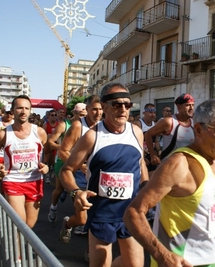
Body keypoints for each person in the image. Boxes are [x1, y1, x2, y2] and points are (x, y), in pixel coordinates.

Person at [124, 99, 215, 267]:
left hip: (212, 260)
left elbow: (207, 198)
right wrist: (162, 255)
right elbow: (133, 212)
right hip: (179, 262)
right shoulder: (179, 164)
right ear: (199, 130)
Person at [59, 83, 147, 267]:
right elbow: (66, 170)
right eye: (116, 104)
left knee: (135, 265)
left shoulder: (137, 132)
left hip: (130, 212)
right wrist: (76, 193)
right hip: (102, 213)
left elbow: (140, 162)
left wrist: (146, 187)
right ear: (104, 107)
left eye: (127, 105)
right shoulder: (92, 136)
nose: (123, 109)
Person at [0, 95, 49, 228]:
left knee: (30, 226)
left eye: (26, 108)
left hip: (34, 181)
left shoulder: (39, 132)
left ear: (30, 110)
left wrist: (46, 166)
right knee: (20, 225)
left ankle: (22, 248)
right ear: (12, 110)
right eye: (19, 108)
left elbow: (48, 153)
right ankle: (17, 249)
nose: (23, 111)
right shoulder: (3, 134)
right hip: (12, 181)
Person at [57, 96, 103, 244]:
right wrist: (80, 166)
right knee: (83, 219)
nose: (98, 113)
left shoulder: (104, 126)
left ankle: (91, 251)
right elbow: (63, 151)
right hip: (79, 175)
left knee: (97, 216)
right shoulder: (78, 126)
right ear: (87, 110)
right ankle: (68, 223)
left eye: (101, 109)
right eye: (94, 109)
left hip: (98, 175)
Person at [46, 102, 87, 223]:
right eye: (80, 114)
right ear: (74, 113)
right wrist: (64, 148)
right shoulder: (64, 125)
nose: (83, 116)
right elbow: (51, 142)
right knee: (59, 189)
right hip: (63, 159)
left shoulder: (88, 125)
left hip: (80, 162)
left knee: (81, 190)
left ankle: (80, 219)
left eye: (85, 114)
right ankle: (53, 207)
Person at [145, 93, 195, 165]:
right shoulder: (169, 121)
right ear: (179, 107)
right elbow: (148, 134)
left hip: (186, 167)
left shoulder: (194, 123)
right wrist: (153, 155)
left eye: (193, 105)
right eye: (187, 105)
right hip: (168, 167)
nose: (191, 108)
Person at [134, 103, 159, 175]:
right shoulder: (138, 123)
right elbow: (135, 142)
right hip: (141, 155)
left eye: (154, 112)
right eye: (150, 112)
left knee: (152, 178)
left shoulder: (155, 124)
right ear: (144, 113)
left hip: (151, 155)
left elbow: (156, 140)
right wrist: (143, 157)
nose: (153, 114)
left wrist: (158, 151)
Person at [42, 109, 59, 184]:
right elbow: (42, 136)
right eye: (52, 115)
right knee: (47, 160)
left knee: (53, 161)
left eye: (55, 115)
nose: (54, 116)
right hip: (48, 145)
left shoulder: (59, 125)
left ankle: (52, 169)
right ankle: (47, 176)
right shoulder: (45, 125)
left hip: (56, 145)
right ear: (48, 116)